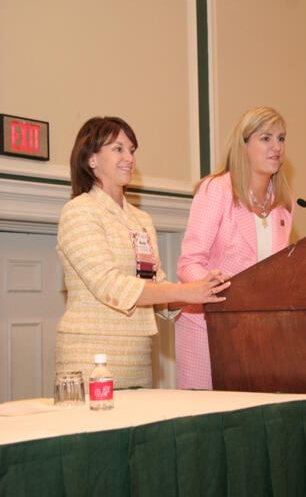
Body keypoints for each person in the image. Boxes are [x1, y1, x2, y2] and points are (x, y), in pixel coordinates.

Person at [55, 116, 230, 389]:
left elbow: (156, 288)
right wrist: (186, 291)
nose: (129, 158)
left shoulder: (141, 220)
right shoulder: (79, 211)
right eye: (118, 149)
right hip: (90, 359)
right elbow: (109, 284)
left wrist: (205, 291)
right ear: (91, 160)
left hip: (138, 361)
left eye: (132, 150)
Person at [175, 106, 294, 389]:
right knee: (205, 425)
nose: (276, 147)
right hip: (207, 329)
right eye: (266, 138)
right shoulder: (217, 189)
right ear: (243, 144)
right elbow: (189, 264)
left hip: (259, 333)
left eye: (281, 138)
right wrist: (225, 293)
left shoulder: (284, 204)